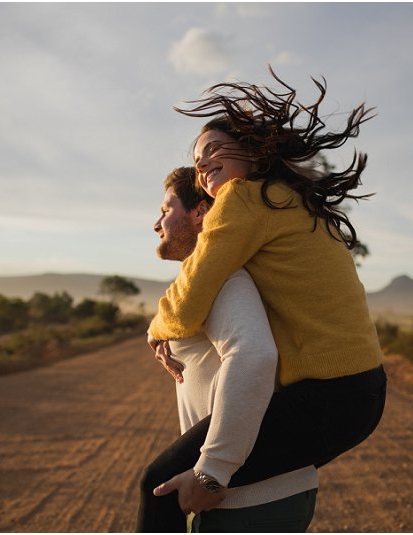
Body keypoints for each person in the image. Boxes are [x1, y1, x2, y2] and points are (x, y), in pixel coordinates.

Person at [140, 68, 387, 532]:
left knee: (160, 485)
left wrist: (157, 328)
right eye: (197, 160)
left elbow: (194, 292)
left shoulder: (243, 198)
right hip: (361, 391)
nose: (204, 164)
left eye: (213, 149)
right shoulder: (287, 199)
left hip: (329, 395)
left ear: (252, 152)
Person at [144, 166, 317, 532]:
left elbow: (254, 355)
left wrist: (213, 472)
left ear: (199, 213)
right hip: (249, 496)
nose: (156, 223)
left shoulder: (225, 279)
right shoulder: (202, 283)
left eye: (165, 209)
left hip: (249, 500)